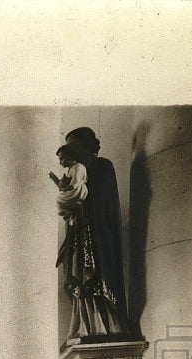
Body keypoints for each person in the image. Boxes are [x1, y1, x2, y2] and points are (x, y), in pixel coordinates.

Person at [57, 127, 129, 340]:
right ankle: (86, 324)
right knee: (78, 271)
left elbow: (105, 200)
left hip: (98, 231)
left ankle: (106, 325)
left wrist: (79, 200)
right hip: (79, 230)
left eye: (74, 145)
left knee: (96, 272)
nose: (72, 151)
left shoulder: (102, 165)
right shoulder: (76, 170)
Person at [52, 144, 89, 225]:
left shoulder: (77, 166)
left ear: (70, 156)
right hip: (74, 190)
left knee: (59, 200)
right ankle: (71, 214)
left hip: (77, 190)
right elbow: (61, 186)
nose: (60, 162)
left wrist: (65, 189)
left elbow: (75, 183)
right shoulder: (71, 169)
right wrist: (54, 178)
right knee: (59, 202)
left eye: (62, 159)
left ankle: (71, 211)